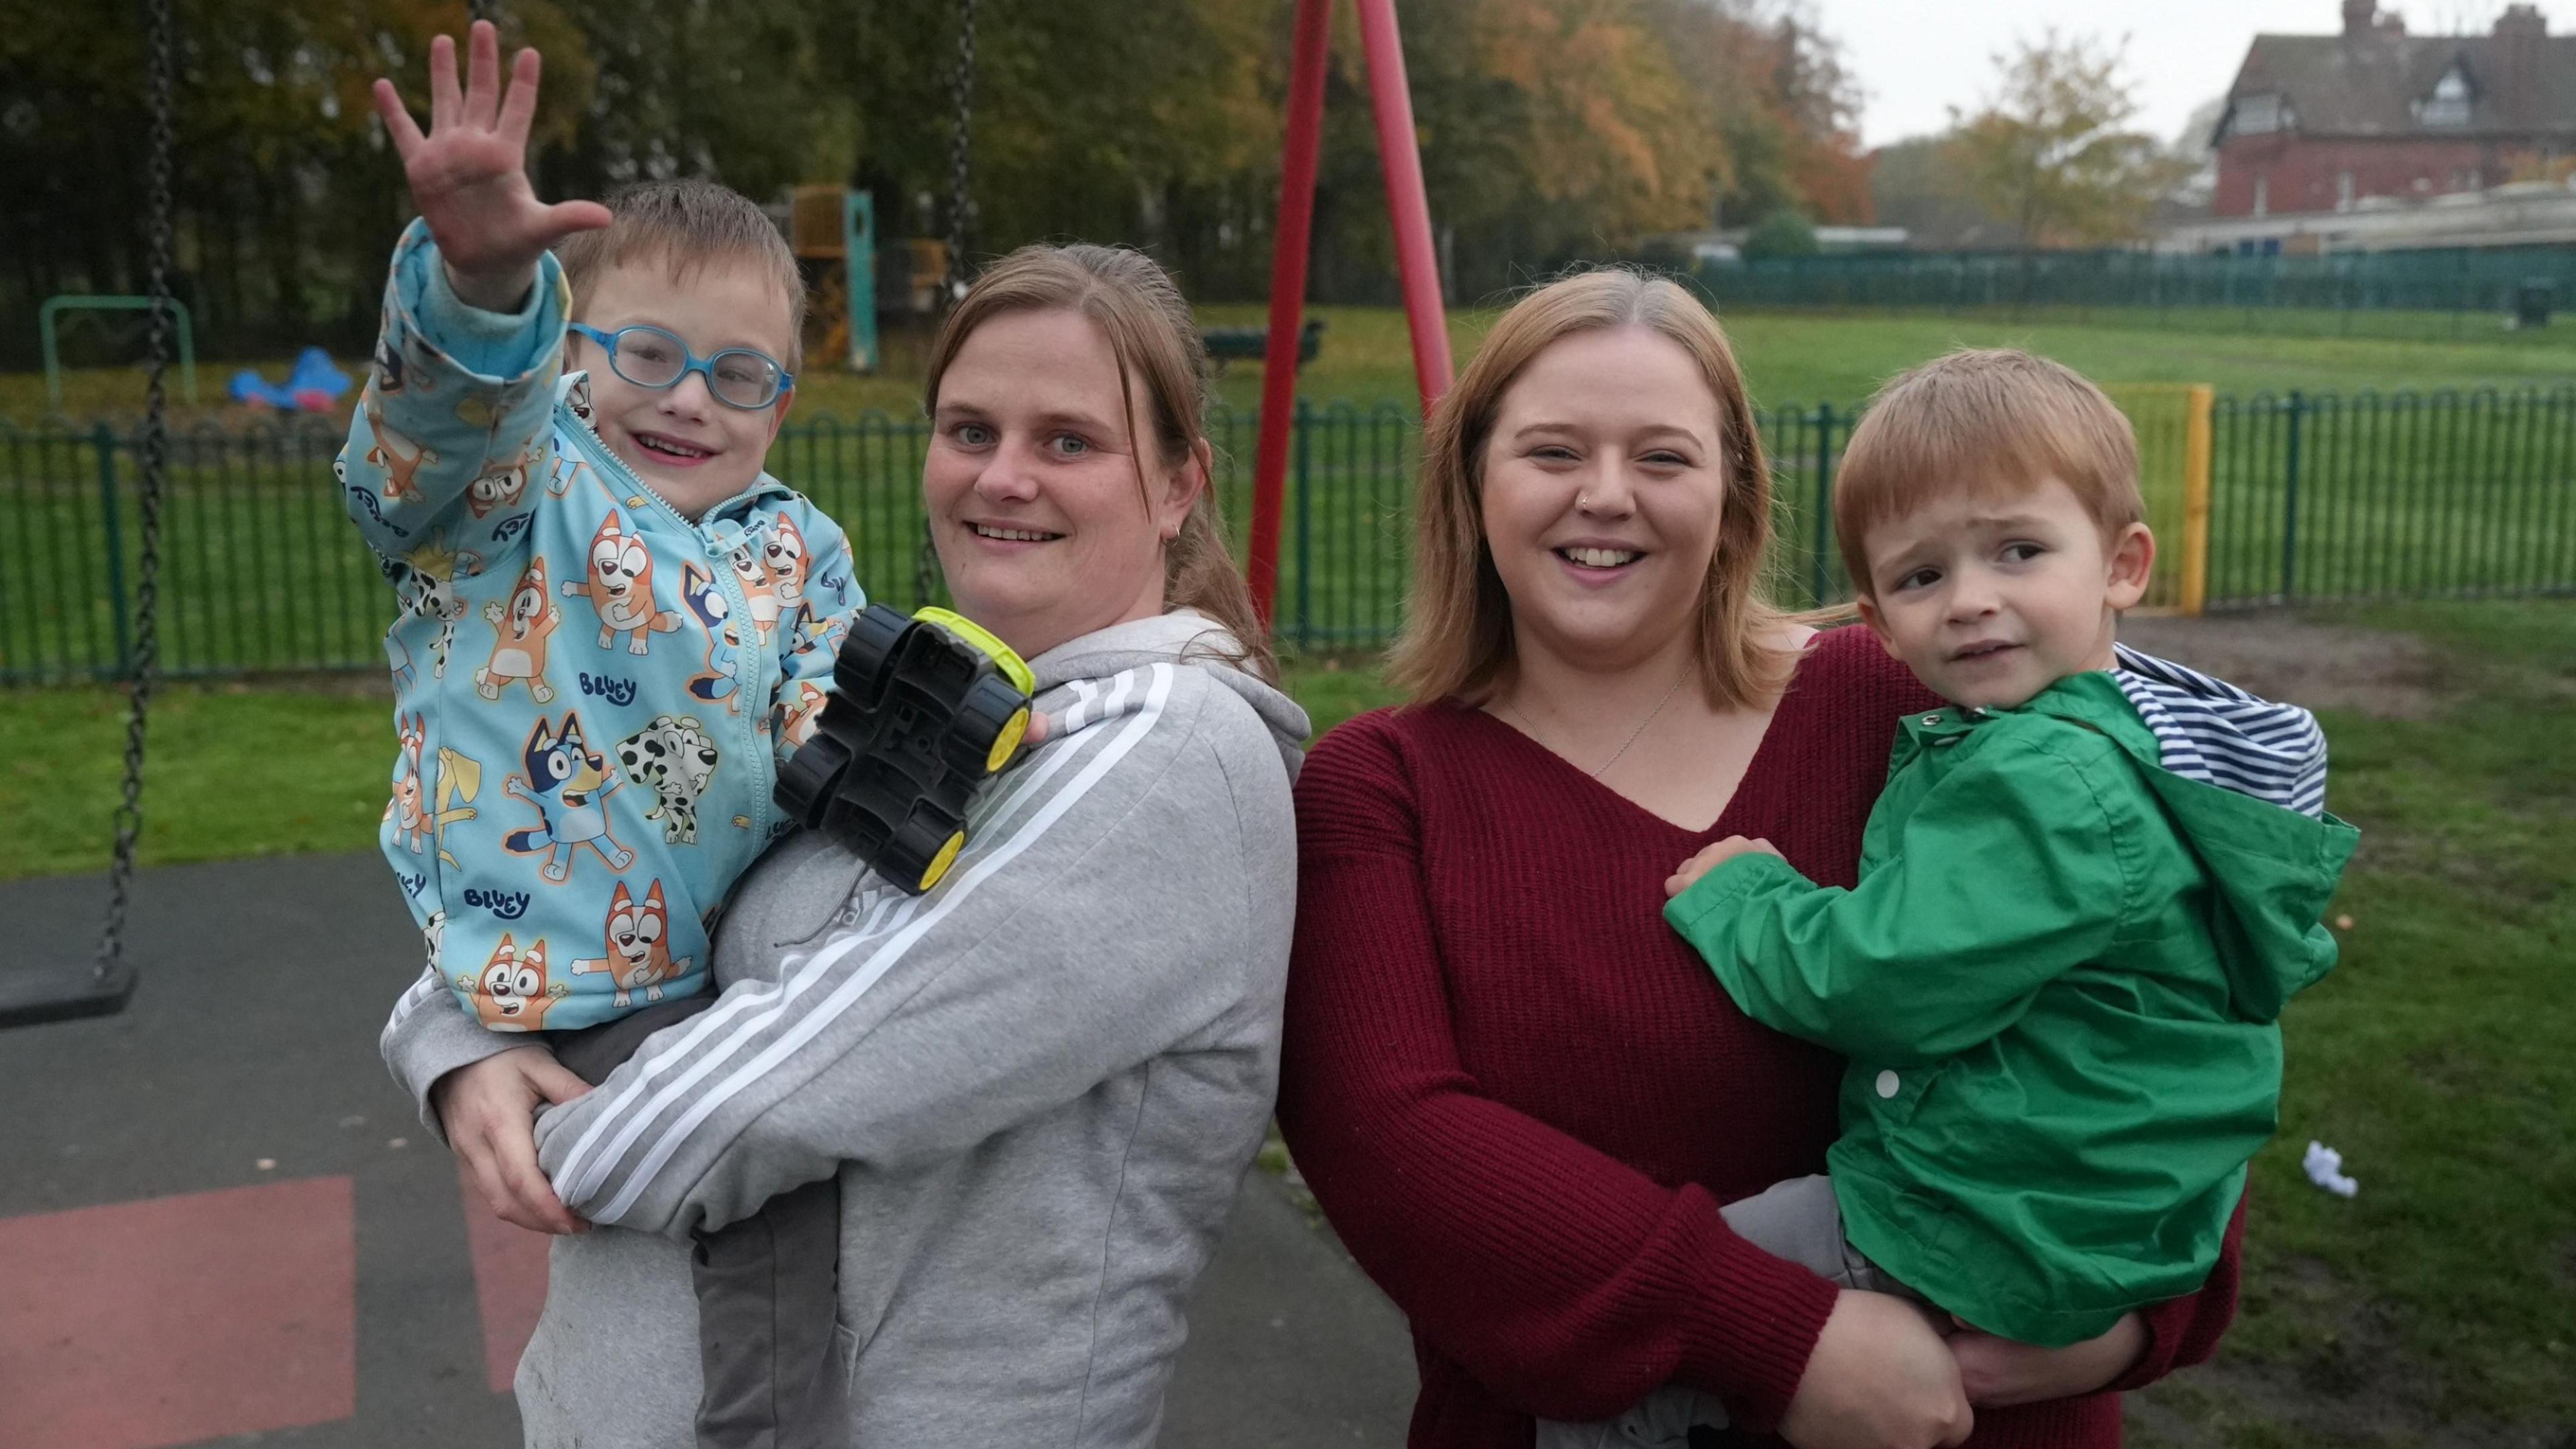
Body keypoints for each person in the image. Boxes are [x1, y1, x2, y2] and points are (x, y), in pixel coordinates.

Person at [1276, 272, 2247, 1449]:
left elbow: (2166, 985)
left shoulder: (1924, 709)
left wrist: (2147, 1316)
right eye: (1551, 452)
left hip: (1979, 1413)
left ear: (1735, 498)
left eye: (1665, 459)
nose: (1605, 496)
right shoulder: (1383, 787)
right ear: (1471, 485)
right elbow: (1395, 1147)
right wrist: (1778, 1336)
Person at [382, 240, 1309, 1448]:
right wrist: (459, 1040)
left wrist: (543, 1105)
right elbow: (619, 848)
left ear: (1181, 485)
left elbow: (773, 1095)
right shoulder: (937, 695)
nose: (1004, 478)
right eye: (971, 431)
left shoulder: (1166, 760)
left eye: (1067, 442)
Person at [1546, 348, 2361, 1448]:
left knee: (1644, 1336)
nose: (1972, 602)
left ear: (2123, 566)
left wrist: (1746, 895)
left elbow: (1883, 980)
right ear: (1879, 621)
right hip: (2101, 1224)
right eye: (1923, 577)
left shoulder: (2046, 779)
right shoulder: (2137, 751)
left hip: (1977, 1221)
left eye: (2017, 552)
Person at [352, 24, 863, 1445]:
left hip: (731, 949)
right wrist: (478, 285)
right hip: (580, 960)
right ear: (572, 358)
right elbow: (434, 423)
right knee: (772, 1187)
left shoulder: (797, 546)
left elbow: (826, 699)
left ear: (783, 402)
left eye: (741, 375)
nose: (692, 395)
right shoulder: (516, 495)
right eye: (650, 351)